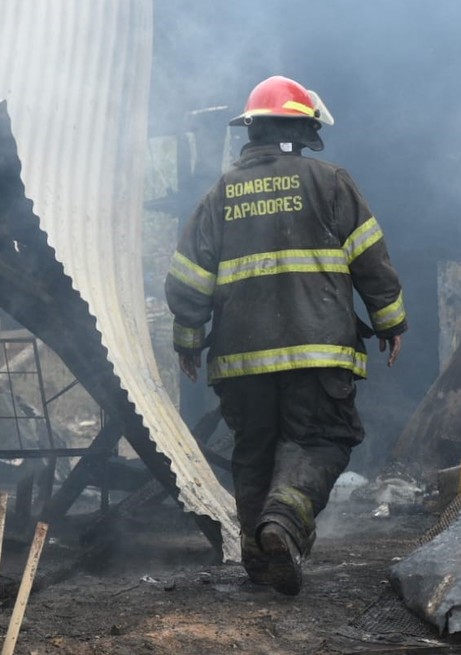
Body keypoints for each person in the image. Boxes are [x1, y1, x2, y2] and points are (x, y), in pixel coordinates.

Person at [165, 75, 407, 596]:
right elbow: (371, 259)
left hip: (241, 360)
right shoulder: (330, 182)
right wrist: (390, 322)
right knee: (319, 439)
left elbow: (188, 278)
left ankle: (259, 556)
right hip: (318, 352)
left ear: (252, 131)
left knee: (254, 450)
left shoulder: (220, 194)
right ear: (301, 130)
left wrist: (188, 338)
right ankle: (283, 523)